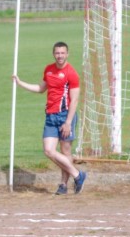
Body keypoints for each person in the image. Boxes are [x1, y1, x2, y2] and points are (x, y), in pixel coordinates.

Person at [12, 41, 87, 195]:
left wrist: (67, 122)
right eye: (57, 53)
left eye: (62, 53)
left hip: (65, 116)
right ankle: (78, 175)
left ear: (67, 54)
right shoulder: (49, 70)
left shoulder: (71, 74)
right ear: (54, 54)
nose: (60, 56)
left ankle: (63, 186)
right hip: (50, 116)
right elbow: (41, 88)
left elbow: (75, 100)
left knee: (65, 151)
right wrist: (20, 83)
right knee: (48, 150)